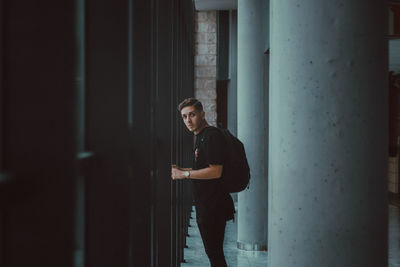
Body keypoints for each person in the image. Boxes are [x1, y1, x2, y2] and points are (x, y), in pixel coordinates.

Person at [171, 98, 235, 267]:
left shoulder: (211, 136)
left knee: (215, 255)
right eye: (184, 117)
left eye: (191, 115)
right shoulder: (201, 137)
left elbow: (215, 171)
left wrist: (184, 174)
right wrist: (183, 171)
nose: (188, 120)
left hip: (213, 207)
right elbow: (205, 168)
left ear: (202, 114)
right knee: (213, 254)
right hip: (207, 205)